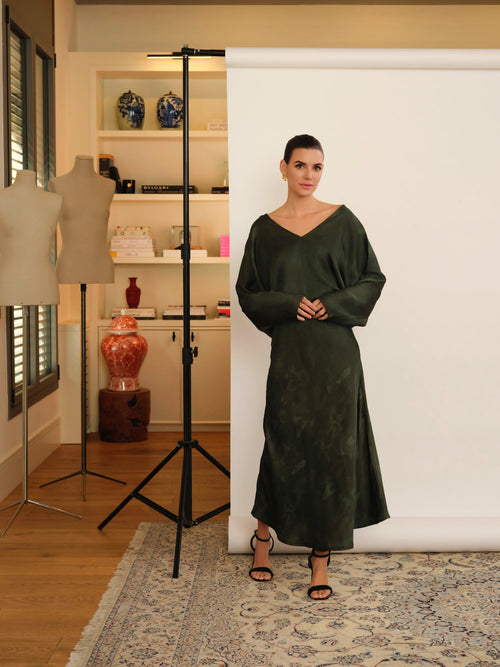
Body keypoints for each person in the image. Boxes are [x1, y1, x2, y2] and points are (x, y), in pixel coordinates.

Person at [236, 134, 389, 600]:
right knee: (280, 445)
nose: (308, 175)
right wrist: (288, 304)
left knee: (332, 452)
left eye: (317, 167)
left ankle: (320, 559)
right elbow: (248, 292)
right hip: (290, 355)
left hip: (337, 358)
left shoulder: (343, 222)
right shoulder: (264, 229)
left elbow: (373, 278)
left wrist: (332, 304)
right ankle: (263, 540)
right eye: (300, 165)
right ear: (283, 168)